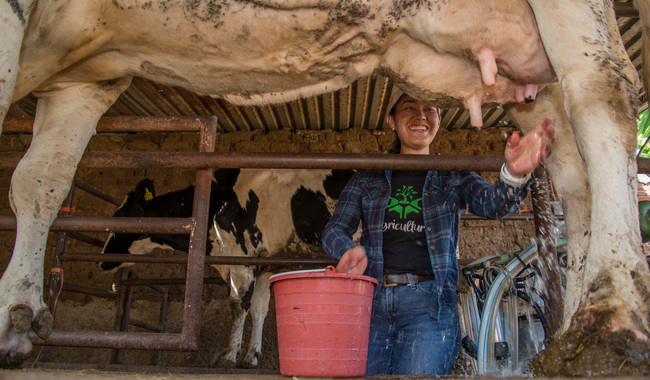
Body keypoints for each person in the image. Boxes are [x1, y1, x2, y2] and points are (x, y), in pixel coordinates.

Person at [321, 90, 554, 375]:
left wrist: (514, 174)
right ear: (391, 120)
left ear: (439, 120)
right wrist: (347, 249)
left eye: (430, 109)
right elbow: (334, 229)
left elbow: (492, 205)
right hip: (371, 303)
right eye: (409, 108)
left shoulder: (452, 173)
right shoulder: (369, 175)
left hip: (430, 305)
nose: (421, 116)